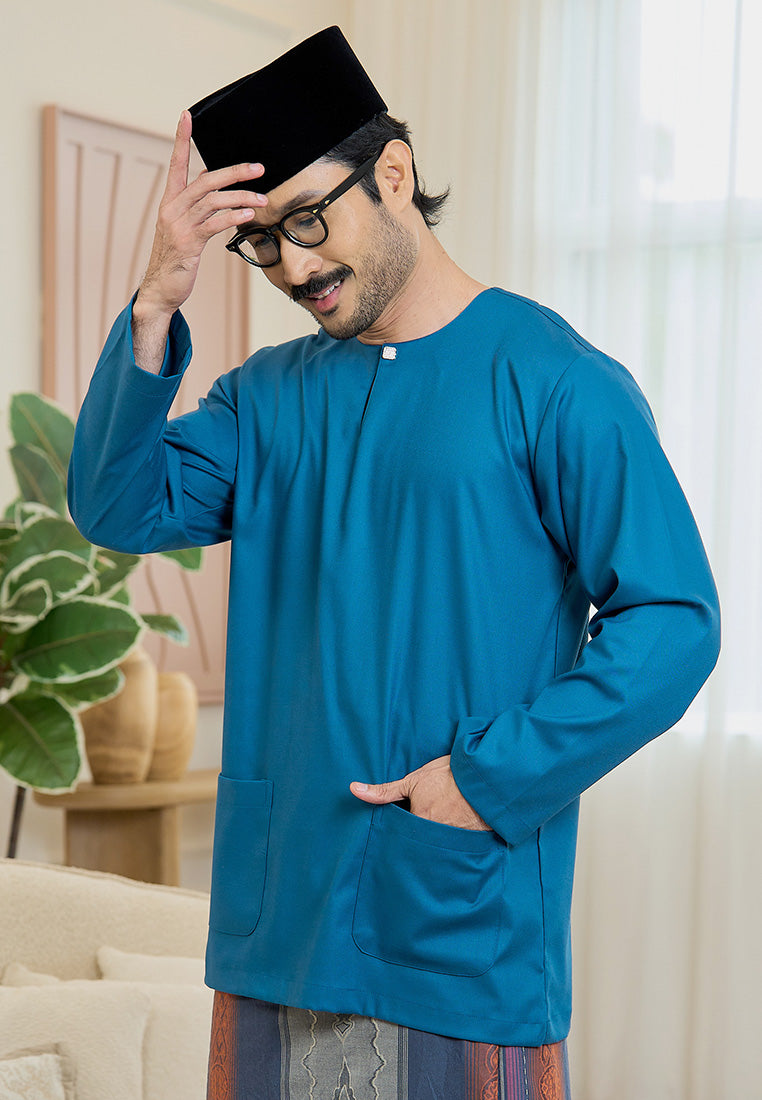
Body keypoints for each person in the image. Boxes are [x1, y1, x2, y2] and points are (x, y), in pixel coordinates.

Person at [68, 25, 720, 1100]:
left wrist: (487, 777)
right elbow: (115, 500)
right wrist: (156, 301)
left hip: (456, 930)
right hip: (278, 930)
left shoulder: (554, 379)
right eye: (261, 243)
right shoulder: (265, 396)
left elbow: (673, 623)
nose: (293, 267)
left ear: (396, 174)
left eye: (309, 220)